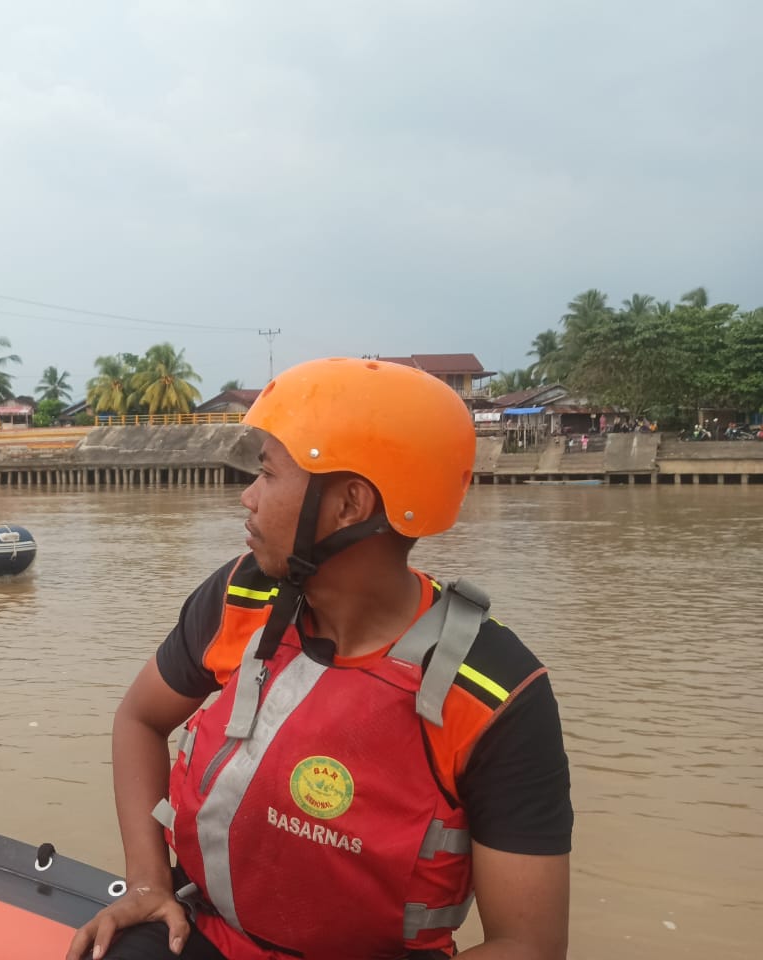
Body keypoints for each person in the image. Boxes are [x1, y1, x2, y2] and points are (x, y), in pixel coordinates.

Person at [68, 358, 572, 960]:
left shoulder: (496, 691)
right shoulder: (239, 597)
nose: (247, 499)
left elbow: (528, 945)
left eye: (267, 473)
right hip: (210, 935)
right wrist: (150, 882)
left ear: (349, 504)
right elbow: (140, 719)